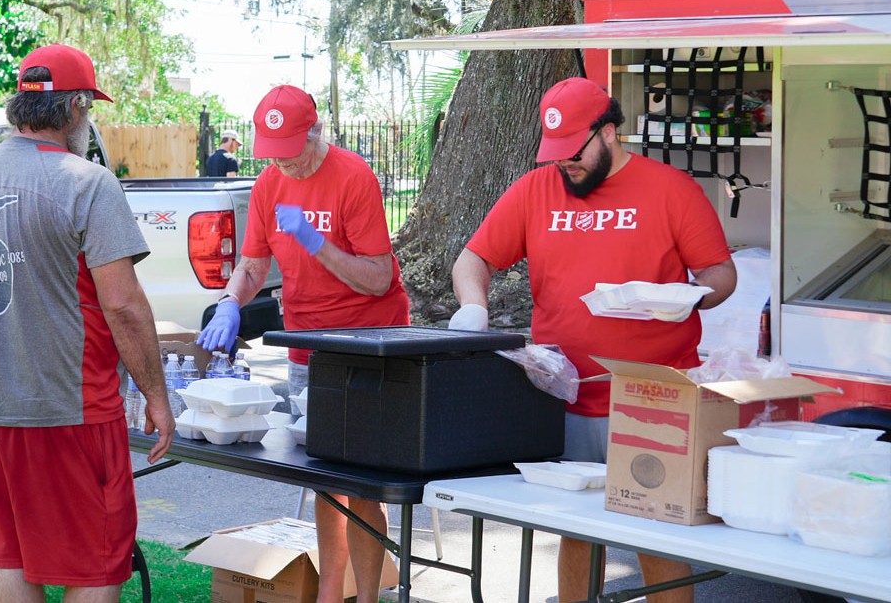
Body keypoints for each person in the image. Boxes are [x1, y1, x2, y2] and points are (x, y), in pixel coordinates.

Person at [449, 77, 738, 603]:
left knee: (659, 533)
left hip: (656, 396)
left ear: (609, 133)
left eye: (575, 151)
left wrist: (681, 298)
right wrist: (474, 306)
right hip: (566, 394)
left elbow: (721, 277)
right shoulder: (536, 190)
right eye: (555, 153)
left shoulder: (671, 189)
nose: (565, 164)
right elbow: (474, 258)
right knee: (576, 531)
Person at [0, 43, 174, 603]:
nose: (87, 121)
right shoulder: (87, 183)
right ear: (74, 109)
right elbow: (123, 304)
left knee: (15, 557)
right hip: (70, 409)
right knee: (96, 566)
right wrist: (157, 397)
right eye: (88, 109)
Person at [198, 84, 409, 603]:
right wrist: (230, 301)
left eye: (290, 150)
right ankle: (327, 595)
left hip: (366, 345)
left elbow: (379, 278)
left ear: (315, 132)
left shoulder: (354, 177)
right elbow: (252, 264)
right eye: (272, 154)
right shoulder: (269, 185)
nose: (283, 164)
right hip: (304, 345)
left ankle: (368, 597)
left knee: (360, 482)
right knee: (324, 478)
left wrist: (319, 245)